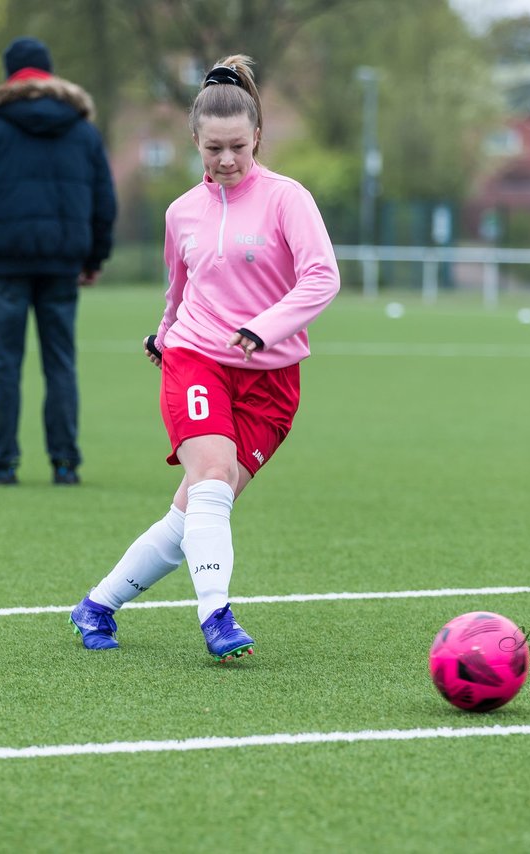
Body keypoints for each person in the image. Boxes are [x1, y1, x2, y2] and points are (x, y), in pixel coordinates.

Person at [69, 55, 340, 660]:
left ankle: (96, 606)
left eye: (238, 147)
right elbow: (179, 289)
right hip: (197, 359)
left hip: (272, 382)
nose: (225, 160)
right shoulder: (181, 212)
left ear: (258, 139)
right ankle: (216, 615)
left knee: (194, 509)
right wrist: (163, 335)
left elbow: (322, 277)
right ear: (194, 141)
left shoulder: (287, 199)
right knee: (212, 476)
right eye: (213, 148)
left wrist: (262, 330)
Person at [0, 37, 117, 486]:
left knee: (4, 363)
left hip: (4, 263)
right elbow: (103, 201)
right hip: (62, 260)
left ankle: (0, 462)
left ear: (9, 76)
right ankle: (65, 462)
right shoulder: (82, 129)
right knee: (60, 362)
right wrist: (94, 257)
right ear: (49, 73)